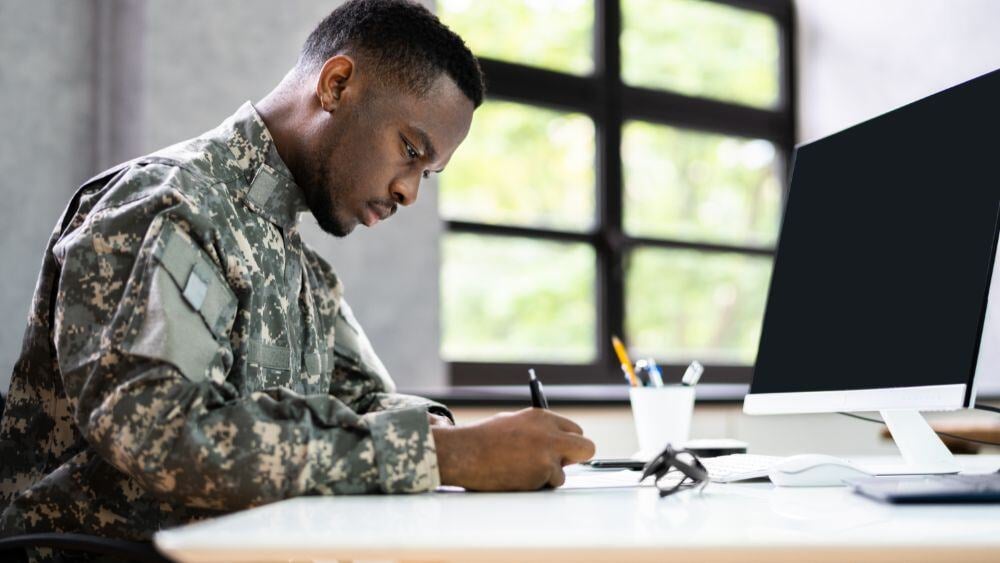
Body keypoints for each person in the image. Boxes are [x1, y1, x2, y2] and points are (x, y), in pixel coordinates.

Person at [0, 0, 596, 551]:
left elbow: (363, 400)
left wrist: (471, 438)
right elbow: (162, 433)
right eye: (411, 151)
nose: (408, 192)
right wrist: (447, 455)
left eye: (428, 174)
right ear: (337, 85)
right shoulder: (168, 206)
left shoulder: (301, 266)